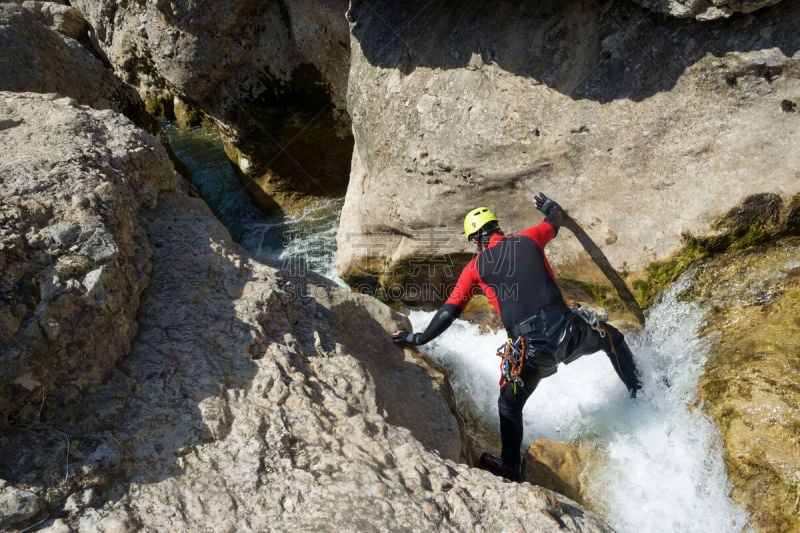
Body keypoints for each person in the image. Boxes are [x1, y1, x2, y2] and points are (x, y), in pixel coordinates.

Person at [392, 193, 641, 482]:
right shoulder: (530, 238)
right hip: (570, 331)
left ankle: (510, 466)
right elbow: (555, 217)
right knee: (614, 339)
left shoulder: (474, 268)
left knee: (508, 405)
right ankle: (639, 393)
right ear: (497, 229)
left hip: (532, 352)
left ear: (476, 240)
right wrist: (547, 205)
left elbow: (449, 312)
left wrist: (418, 337)